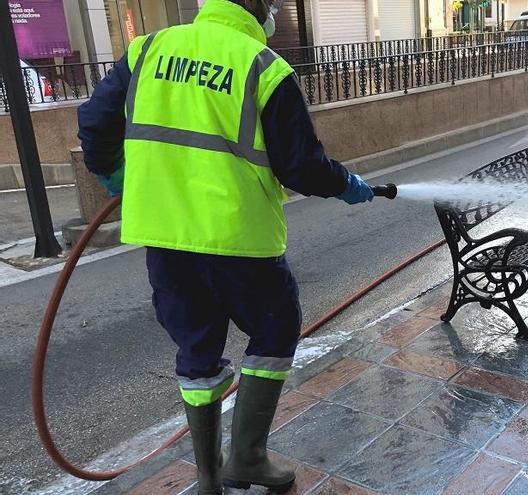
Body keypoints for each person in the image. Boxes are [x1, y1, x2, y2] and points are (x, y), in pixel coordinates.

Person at [76, 0, 375, 491]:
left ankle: (210, 477)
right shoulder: (262, 65)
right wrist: (346, 185)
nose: (276, 12)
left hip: (167, 239)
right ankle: (249, 458)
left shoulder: (148, 49)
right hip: (240, 238)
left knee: (196, 349)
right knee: (276, 330)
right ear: (254, 6)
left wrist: (115, 174)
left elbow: (93, 124)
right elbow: (300, 165)